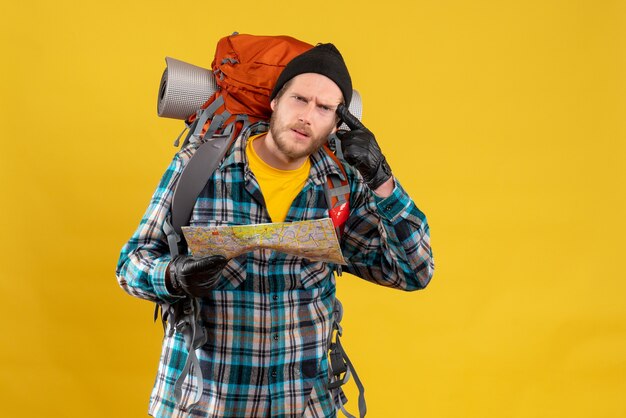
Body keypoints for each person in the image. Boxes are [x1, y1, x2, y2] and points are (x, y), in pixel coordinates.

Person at [116, 43, 434, 418]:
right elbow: (131, 264)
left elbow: (413, 272)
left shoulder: (340, 186)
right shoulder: (200, 166)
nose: (307, 116)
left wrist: (382, 181)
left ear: (337, 124)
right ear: (275, 101)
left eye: (324, 108)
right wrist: (172, 276)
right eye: (299, 99)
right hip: (207, 403)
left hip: (303, 405)